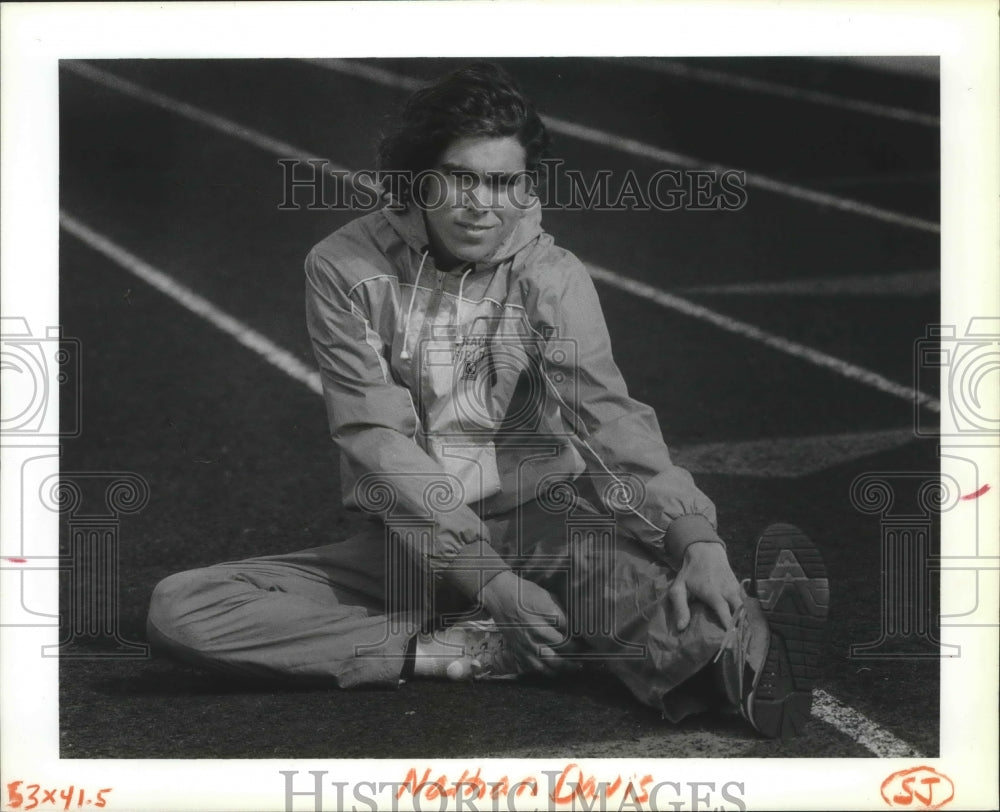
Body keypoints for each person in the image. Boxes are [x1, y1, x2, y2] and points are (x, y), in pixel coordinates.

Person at [147, 62, 829, 739]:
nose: (482, 204)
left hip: (542, 529)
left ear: (526, 185)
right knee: (184, 609)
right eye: (460, 178)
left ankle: (737, 651)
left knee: (686, 606)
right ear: (419, 177)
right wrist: (490, 586)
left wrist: (697, 540)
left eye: (504, 182)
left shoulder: (551, 276)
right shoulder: (344, 267)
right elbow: (377, 438)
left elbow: (607, 420)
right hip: (408, 542)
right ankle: (453, 648)